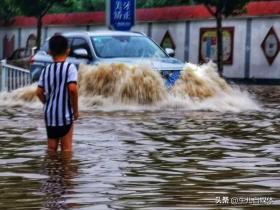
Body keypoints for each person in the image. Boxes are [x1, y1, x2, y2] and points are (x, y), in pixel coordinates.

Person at [36, 34, 79, 152]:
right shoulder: (70, 68)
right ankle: (64, 170)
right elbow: (72, 89)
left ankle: (52, 169)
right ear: (68, 51)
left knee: (51, 148)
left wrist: (47, 102)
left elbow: (39, 92)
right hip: (65, 115)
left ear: (49, 52)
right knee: (66, 149)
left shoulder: (46, 70)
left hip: (50, 115)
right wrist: (75, 110)